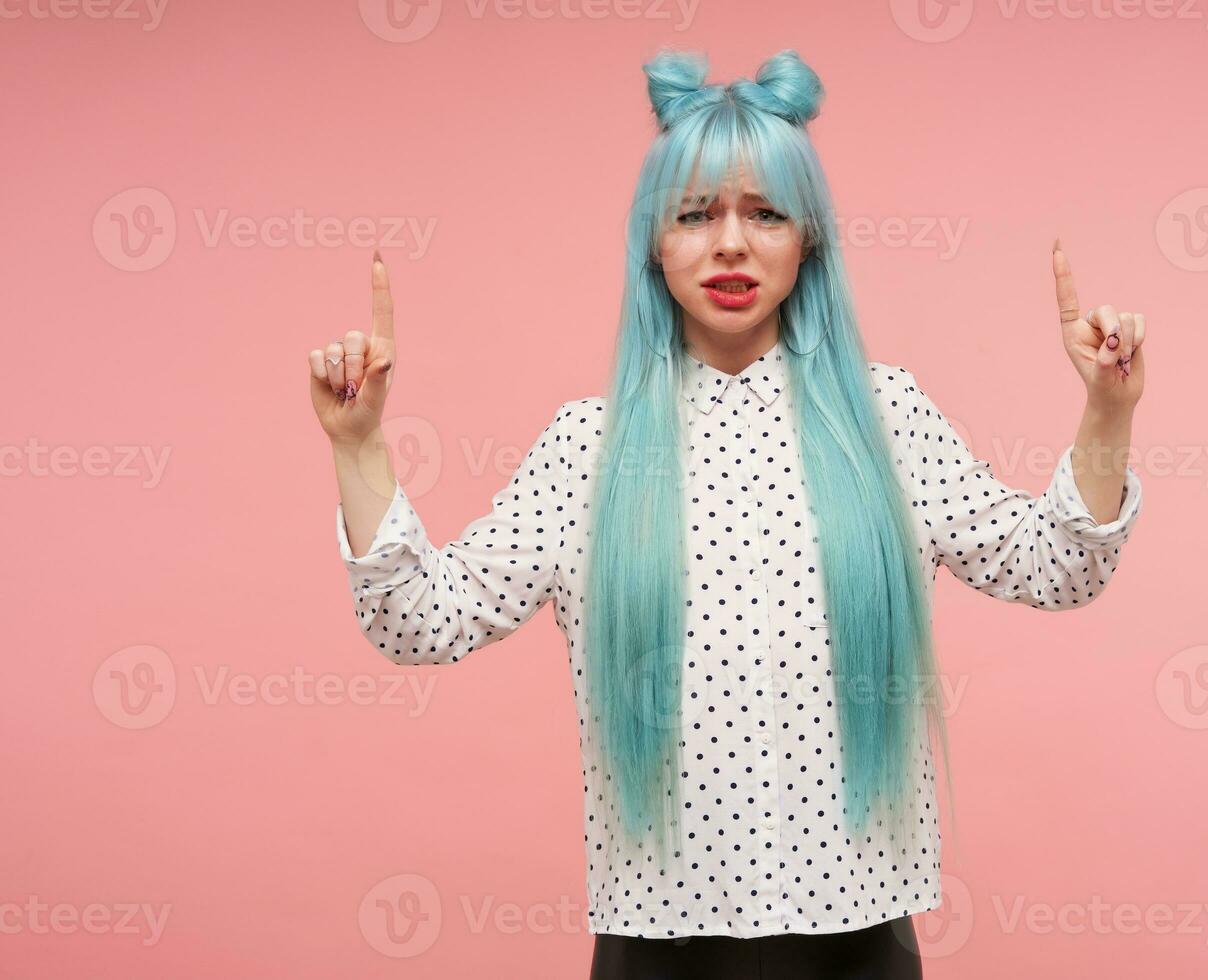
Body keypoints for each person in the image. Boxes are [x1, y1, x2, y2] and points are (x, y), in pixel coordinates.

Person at [308, 47, 1145, 980]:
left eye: (767, 213)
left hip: (857, 943)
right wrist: (359, 446)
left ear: (809, 240)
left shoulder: (887, 421)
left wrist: (1107, 408)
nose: (732, 244)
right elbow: (420, 621)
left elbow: (1060, 567)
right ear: (653, 244)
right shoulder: (589, 447)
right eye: (697, 214)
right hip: (656, 949)